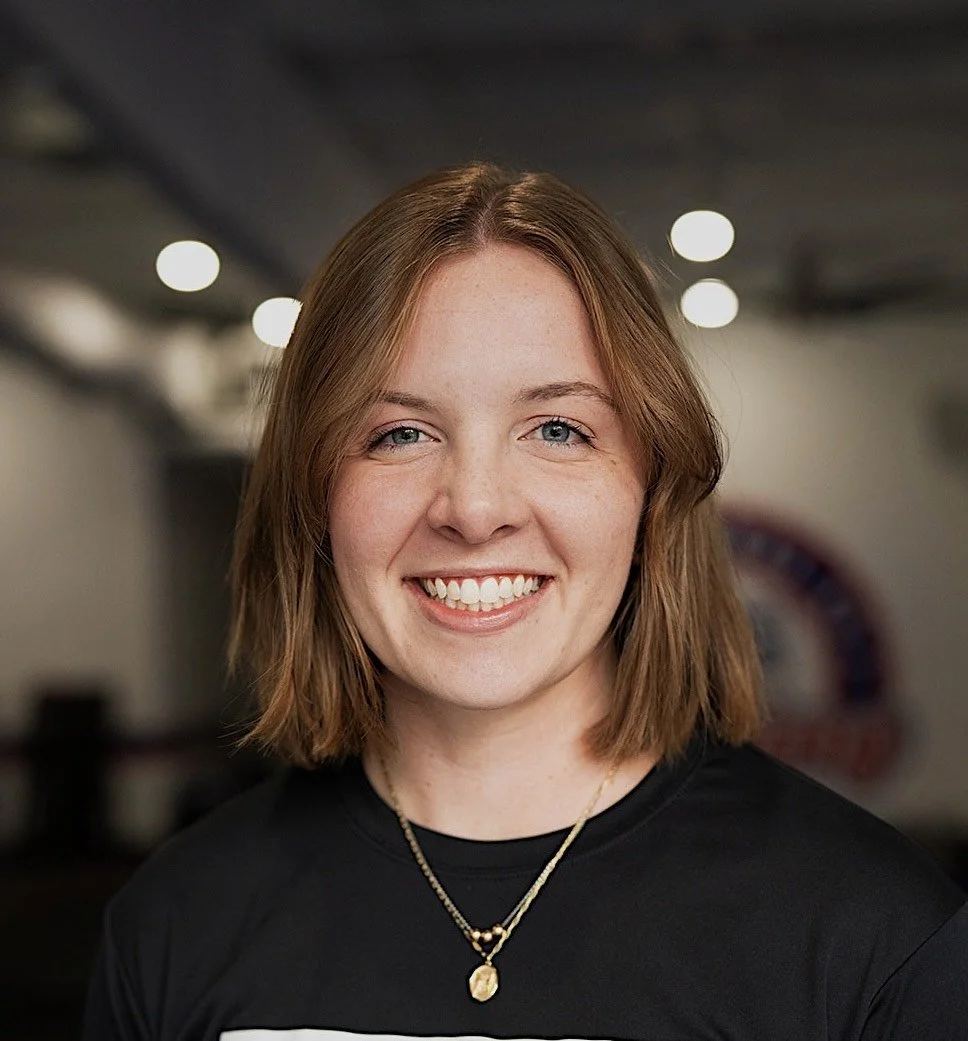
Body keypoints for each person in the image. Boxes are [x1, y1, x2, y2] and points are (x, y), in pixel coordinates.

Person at [83, 163, 967, 1040]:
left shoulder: (875, 935)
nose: (474, 508)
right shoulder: (174, 926)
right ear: (314, 494)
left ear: (650, 485)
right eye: (399, 433)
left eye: (557, 429)